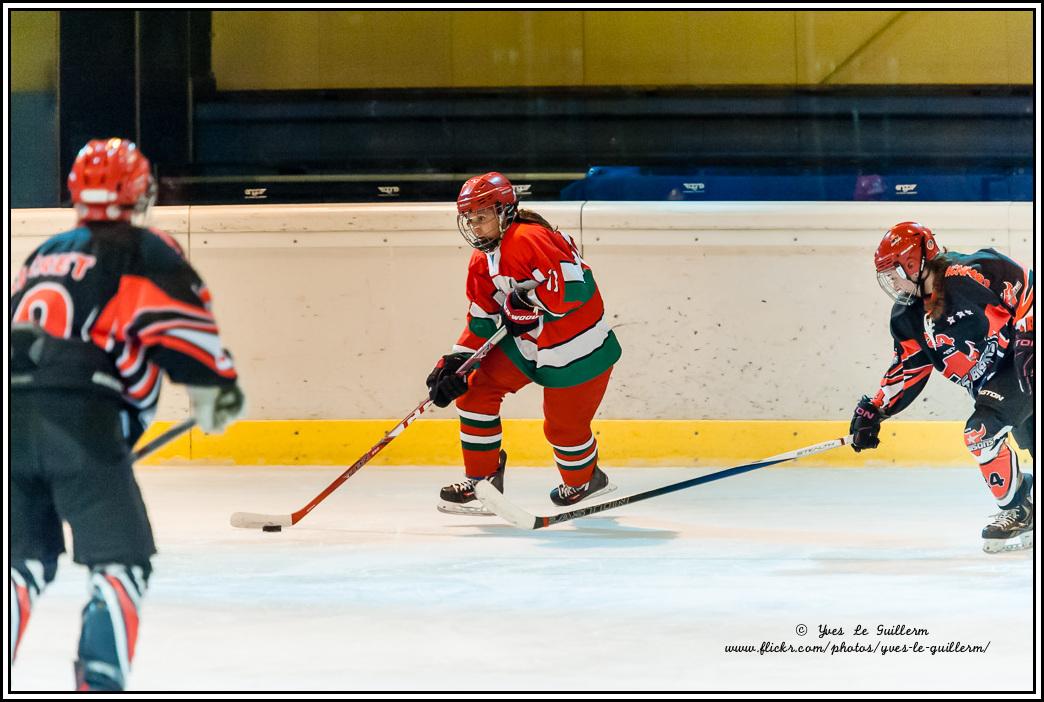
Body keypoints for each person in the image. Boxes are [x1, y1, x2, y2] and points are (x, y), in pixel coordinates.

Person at [9, 138, 245, 690]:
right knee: (122, 564)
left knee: (21, 565)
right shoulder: (145, 248)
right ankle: (99, 679)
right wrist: (216, 388)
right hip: (81, 419)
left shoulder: (43, 254)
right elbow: (178, 325)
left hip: (10, 418)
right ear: (141, 192)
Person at [426, 172, 622, 515]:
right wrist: (456, 361)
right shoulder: (482, 260)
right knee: (473, 391)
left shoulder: (529, 238)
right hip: (529, 346)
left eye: (483, 216)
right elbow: (483, 320)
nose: (476, 226)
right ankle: (482, 482)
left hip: (577, 349)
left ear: (504, 211)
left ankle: (585, 481)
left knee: (563, 429)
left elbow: (574, 290)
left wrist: (527, 299)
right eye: (470, 218)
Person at [850, 221, 1034, 553]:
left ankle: (1019, 510)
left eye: (893, 272)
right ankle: (1024, 499)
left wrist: (1028, 341)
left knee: (980, 434)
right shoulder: (907, 317)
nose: (890, 282)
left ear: (912, 263)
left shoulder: (971, 273)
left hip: (1022, 368)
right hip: (995, 387)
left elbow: (1029, 288)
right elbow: (907, 370)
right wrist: (874, 409)